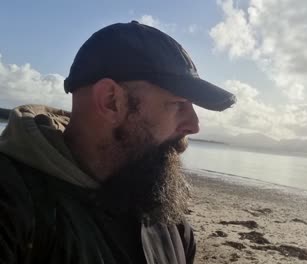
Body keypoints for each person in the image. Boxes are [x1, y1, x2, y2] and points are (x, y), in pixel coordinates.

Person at [0, 21, 236, 264]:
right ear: (112, 101)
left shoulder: (167, 219)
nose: (194, 125)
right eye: (178, 104)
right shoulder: (13, 206)